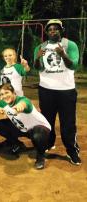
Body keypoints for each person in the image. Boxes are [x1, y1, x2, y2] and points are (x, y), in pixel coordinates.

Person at [34, 19, 81, 166]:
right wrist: (37, 58)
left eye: (56, 29)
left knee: (68, 123)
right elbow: (38, 68)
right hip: (46, 90)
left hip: (66, 90)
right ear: (46, 32)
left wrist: (63, 54)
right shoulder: (40, 47)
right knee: (46, 121)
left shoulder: (69, 45)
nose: (52, 31)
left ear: (61, 30)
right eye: (50, 29)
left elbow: (74, 66)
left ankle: (71, 150)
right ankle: (48, 143)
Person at [0, 83, 51, 169]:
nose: (4, 96)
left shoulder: (23, 100)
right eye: (2, 94)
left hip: (39, 128)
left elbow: (24, 103)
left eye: (7, 93)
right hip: (22, 128)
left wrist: (19, 107)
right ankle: (18, 144)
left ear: (14, 93)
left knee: (38, 136)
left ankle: (41, 155)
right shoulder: (2, 103)